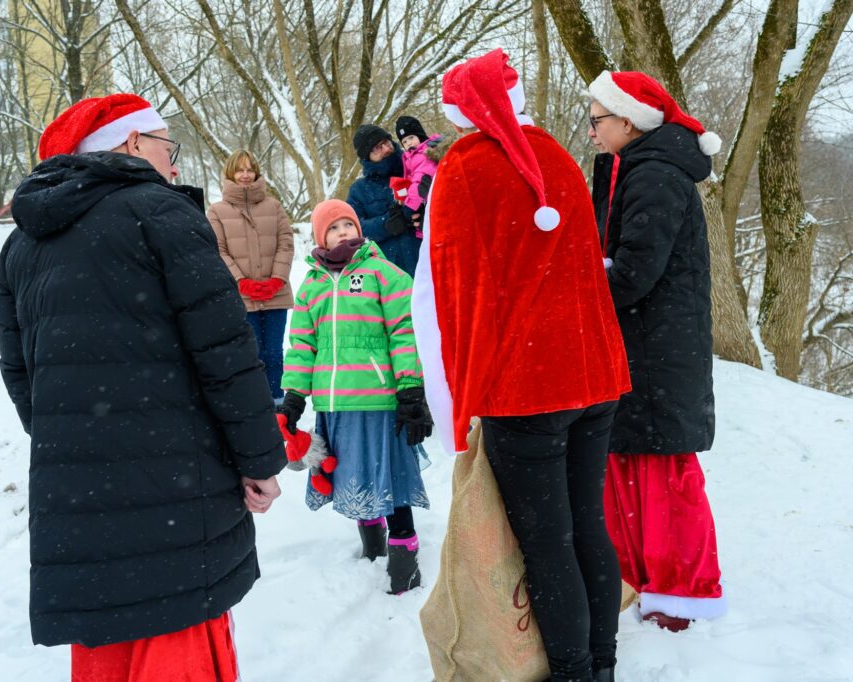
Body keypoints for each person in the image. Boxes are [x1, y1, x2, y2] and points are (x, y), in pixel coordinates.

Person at [0, 93, 286, 681]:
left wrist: (83, 440)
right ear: (131, 144)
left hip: (78, 499)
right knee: (178, 644)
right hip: (180, 488)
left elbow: (19, 372)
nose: (174, 165)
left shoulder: (23, 243)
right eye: (166, 146)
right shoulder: (160, 214)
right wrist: (258, 459)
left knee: (109, 650)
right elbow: (225, 353)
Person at [412, 50, 632, 682]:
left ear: (464, 114)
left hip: (527, 386)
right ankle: (603, 664)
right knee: (587, 525)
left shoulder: (466, 166)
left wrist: (458, 398)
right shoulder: (559, 156)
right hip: (594, 373)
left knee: (548, 542)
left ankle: (571, 671)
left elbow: (449, 295)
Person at [587, 70, 727, 631]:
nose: (592, 131)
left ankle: (679, 593)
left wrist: (579, 285)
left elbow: (633, 272)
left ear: (627, 121)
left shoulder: (656, 176)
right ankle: (645, 582)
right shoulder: (637, 169)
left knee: (663, 474)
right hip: (645, 347)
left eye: (597, 121)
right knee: (631, 467)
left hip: (657, 352)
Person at [278, 198, 433, 595]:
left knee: (391, 481)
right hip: (336, 404)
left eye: (349, 224)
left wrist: (411, 388)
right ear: (320, 236)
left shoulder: (383, 273)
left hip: (378, 401)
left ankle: (405, 560)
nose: (344, 232)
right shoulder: (312, 285)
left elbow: (404, 333)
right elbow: (300, 345)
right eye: (334, 227)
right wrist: (294, 396)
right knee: (353, 477)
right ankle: (372, 547)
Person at [207, 150, 294, 404]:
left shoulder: (273, 206)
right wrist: (241, 282)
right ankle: (256, 405)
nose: (245, 175)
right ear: (230, 173)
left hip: (275, 295)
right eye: (240, 170)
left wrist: (277, 279)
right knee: (251, 353)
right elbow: (218, 249)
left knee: (274, 354)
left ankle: (278, 405)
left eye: (250, 169)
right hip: (241, 297)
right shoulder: (217, 211)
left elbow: (286, 243)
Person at [346, 124, 422, 275]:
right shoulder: (359, 190)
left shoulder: (416, 169)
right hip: (390, 271)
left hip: (428, 258)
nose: (386, 149)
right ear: (366, 156)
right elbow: (354, 228)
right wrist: (387, 224)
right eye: (377, 148)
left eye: (386, 142)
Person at [394, 115, 443, 239]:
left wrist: (410, 206)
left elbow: (421, 179)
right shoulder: (409, 158)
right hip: (423, 202)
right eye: (404, 141)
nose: (408, 142)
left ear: (420, 136)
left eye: (411, 137)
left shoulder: (425, 153)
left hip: (430, 199)